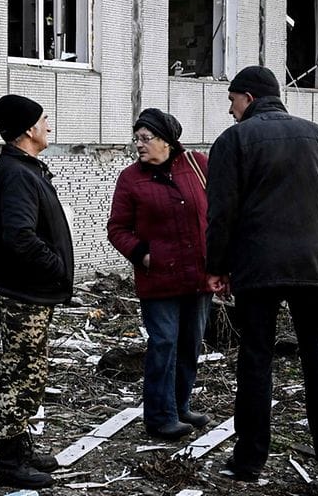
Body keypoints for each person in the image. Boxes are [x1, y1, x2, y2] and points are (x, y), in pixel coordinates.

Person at [206, 66, 318, 493]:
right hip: (310, 268)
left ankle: (248, 462)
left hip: (257, 271)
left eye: (233, 98)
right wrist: (314, 237)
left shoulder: (233, 141)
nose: (230, 107)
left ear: (250, 98)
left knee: (256, 360)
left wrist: (217, 265)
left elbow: (221, 211)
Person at [0, 94, 73, 489]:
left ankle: (19, 448)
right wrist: (55, 267)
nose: (48, 125)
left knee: (29, 371)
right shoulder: (18, 173)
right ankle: (8, 462)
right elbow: (19, 237)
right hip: (23, 294)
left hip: (29, 292)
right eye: (43, 119)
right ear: (26, 130)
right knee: (22, 374)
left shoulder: (24, 167)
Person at [107, 108, 212, 440]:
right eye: (136, 138)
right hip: (159, 277)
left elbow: (218, 211)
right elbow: (117, 228)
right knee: (164, 343)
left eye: (145, 138)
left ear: (166, 140)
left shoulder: (197, 164)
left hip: (198, 275)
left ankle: (180, 405)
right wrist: (143, 255)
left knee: (190, 343)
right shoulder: (131, 178)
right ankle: (159, 416)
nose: (138, 144)